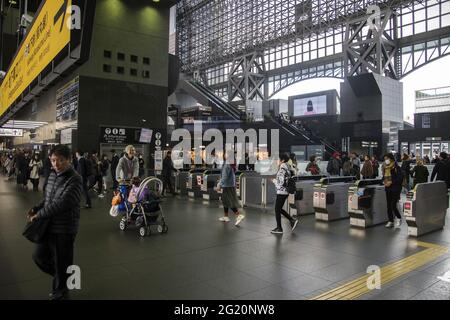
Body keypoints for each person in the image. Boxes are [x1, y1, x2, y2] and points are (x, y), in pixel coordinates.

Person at [29, 145, 82, 300]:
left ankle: (60, 291)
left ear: (69, 160)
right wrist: (36, 207)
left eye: (60, 160)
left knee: (61, 260)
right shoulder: (53, 175)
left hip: (65, 228)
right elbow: (48, 197)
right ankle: (63, 277)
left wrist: (39, 215)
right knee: (39, 256)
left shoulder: (75, 179)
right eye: (53, 160)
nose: (56, 164)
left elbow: (63, 203)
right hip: (49, 225)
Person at [271, 153, 299, 234]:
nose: (276, 161)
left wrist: (274, 181)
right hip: (285, 191)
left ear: (282, 160)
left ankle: (279, 228)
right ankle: (291, 220)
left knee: (277, 209)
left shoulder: (282, 168)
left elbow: (281, 182)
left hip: (281, 191)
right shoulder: (288, 166)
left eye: (277, 159)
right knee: (278, 209)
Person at [217, 150, 245, 226]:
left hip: (227, 186)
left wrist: (219, 184)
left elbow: (225, 176)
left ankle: (239, 215)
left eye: (225, 153)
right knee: (225, 200)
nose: (224, 154)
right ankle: (226, 216)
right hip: (230, 185)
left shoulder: (227, 164)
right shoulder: (231, 163)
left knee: (228, 201)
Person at [382, 153, 404, 228]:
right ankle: (390, 221)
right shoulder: (385, 167)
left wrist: (391, 182)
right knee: (388, 205)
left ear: (391, 158)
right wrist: (383, 182)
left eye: (387, 158)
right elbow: (383, 177)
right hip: (388, 188)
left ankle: (398, 217)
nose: (386, 160)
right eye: (385, 159)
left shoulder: (396, 167)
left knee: (393, 204)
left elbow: (400, 178)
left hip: (395, 188)